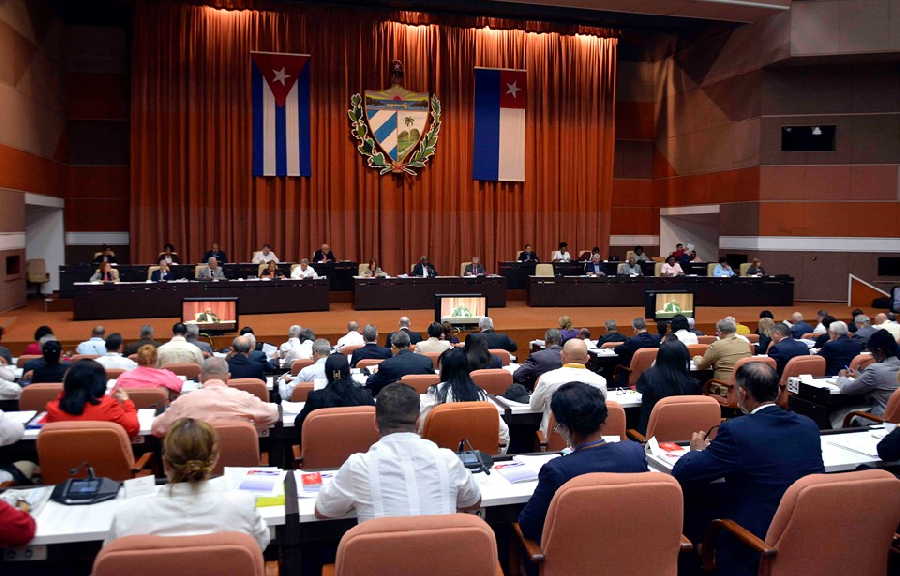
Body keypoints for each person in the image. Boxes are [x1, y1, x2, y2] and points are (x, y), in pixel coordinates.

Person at [673, 363, 823, 576]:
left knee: (693, 496)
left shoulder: (736, 431)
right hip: (805, 530)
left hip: (755, 539)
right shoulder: (808, 425)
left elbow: (684, 472)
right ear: (778, 391)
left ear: (743, 393)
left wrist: (697, 451)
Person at [315, 382, 481, 522]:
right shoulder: (448, 460)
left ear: (375, 423)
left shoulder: (358, 466)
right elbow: (473, 501)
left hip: (381, 560)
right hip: (444, 559)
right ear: (419, 422)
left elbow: (323, 511)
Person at [108, 418, 269, 550]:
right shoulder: (243, 505)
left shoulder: (127, 515)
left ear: (165, 463)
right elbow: (259, 546)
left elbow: (111, 565)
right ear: (214, 460)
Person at [518, 382, 647, 540]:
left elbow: (528, 526)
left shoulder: (556, 470)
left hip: (575, 555)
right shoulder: (634, 452)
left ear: (564, 427)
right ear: (603, 418)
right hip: (629, 545)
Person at [152, 358, 277, 437]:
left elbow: (157, 428)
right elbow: (272, 415)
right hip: (238, 469)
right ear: (228, 377)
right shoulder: (243, 398)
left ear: (200, 378)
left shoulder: (183, 402)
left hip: (196, 471)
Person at [420, 348, 509, 451]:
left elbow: (422, 430)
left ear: (443, 369)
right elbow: (502, 432)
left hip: (440, 458)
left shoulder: (434, 394)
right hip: (480, 458)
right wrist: (494, 455)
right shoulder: (481, 395)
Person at [530, 339, 608, 436]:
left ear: (562, 356)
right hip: (587, 439)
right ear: (588, 358)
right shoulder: (600, 381)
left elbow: (534, 406)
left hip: (553, 437)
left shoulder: (547, 379)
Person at [45, 360, 139, 437]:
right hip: (105, 459)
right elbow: (133, 428)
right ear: (100, 382)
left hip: (65, 459)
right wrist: (126, 402)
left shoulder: (53, 408)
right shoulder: (108, 406)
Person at [295, 354, 375, 434]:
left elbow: (299, 423)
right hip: (360, 445)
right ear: (349, 371)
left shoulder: (315, 398)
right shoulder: (365, 396)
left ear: (326, 372)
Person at [635, 339, 699, 434]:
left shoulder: (649, 376)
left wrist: (653, 368)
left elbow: (639, 389)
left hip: (651, 435)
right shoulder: (693, 384)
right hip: (683, 435)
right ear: (683, 359)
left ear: (660, 357)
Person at [835, 329, 899, 423]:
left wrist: (842, 377)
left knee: (837, 413)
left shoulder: (875, 369)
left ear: (879, 351)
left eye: (872, 353)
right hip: (896, 420)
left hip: (880, 419)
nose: (872, 356)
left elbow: (846, 389)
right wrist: (859, 376)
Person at [365, 332, 434, 397]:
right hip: (421, 402)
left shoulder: (387, 365)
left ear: (393, 346)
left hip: (394, 403)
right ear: (410, 344)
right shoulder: (427, 361)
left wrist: (375, 374)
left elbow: (371, 384)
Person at [115, 345, 183, 396]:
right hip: (159, 412)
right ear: (156, 360)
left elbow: (114, 395)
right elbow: (179, 387)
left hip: (130, 412)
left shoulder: (124, 377)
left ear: (137, 360)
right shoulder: (166, 375)